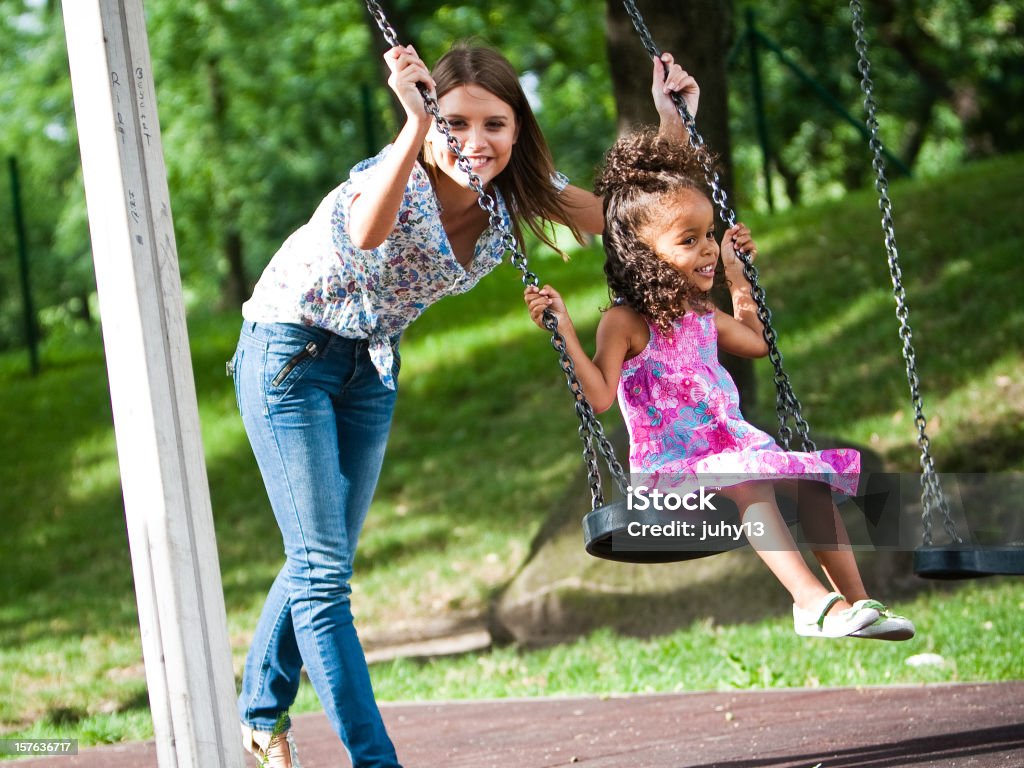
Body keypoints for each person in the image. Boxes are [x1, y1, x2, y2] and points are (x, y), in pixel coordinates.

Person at [230, 41, 699, 767]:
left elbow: (627, 217)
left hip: (368, 364)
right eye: (455, 122)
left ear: (518, 131)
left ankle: (261, 711)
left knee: (319, 560)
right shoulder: (398, 172)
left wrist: (671, 124)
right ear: (428, 118)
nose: (475, 143)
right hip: (287, 353)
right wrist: (415, 127)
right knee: (323, 573)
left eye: (495, 125)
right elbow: (365, 234)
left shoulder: (519, 192)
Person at [524, 129, 916, 643]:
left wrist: (737, 276)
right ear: (642, 254)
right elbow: (598, 397)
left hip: (729, 461)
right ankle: (812, 603)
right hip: (670, 480)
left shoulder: (700, 313)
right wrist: (565, 330)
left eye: (709, 233)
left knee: (813, 484)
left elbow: (755, 341)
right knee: (747, 481)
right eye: (689, 240)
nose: (707, 247)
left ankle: (855, 604)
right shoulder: (624, 323)